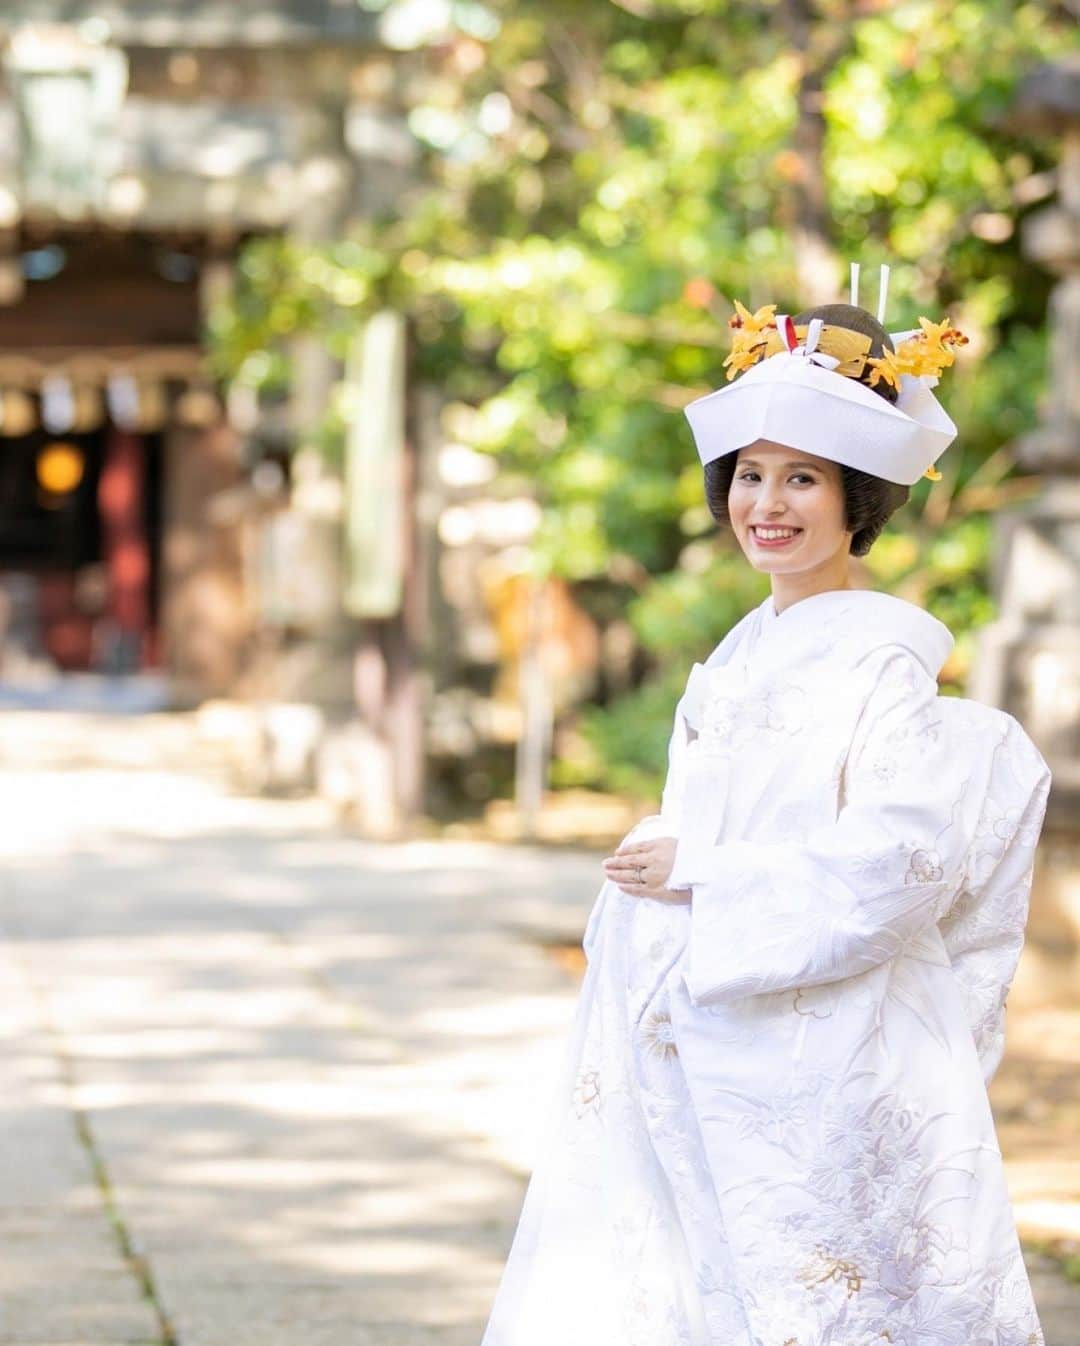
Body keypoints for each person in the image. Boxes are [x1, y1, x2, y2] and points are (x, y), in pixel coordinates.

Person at [479, 271, 1051, 1346]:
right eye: (749, 476)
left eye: (802, 480)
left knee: (814, 1297)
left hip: (828, 1046)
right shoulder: (737, 655)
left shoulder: (882, 663)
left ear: (856, 503)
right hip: (706, 1017)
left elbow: (903, 860)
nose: (768, 506)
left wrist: (707, 870)